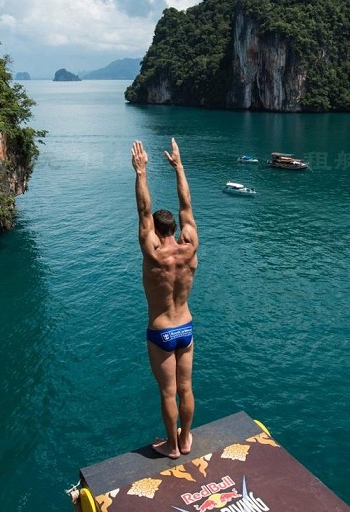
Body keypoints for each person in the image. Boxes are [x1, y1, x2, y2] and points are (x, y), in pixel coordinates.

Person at [131, 138, 199, 459]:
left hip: (161, 332)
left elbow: (144, 210)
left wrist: (141, 172)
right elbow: (186, 206)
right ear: (175, 229)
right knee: (186, 389)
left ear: (157, 231)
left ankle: (171, 446)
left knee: (168, 392)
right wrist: (178, 166)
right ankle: (186, 440)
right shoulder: (189, 246)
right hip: (185, 328)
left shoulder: (153, 253)